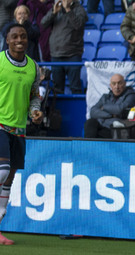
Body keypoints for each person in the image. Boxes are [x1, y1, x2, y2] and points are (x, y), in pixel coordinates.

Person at [0, 23, 43, 244]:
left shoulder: (34, 67)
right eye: (14, 36)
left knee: (10, 177)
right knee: (2, 170)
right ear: (6, 40)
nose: (19, 40)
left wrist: (35, 110)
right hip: (0, 124)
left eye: (23, 36)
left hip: (19, 128)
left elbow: (34, 95)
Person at [41, 0, 88, 94]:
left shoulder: (79, 9)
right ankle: (57, 108)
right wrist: (53, 12)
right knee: (57, 88)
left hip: (73, 54)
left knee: (75, 87)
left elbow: (78, 25)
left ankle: (77, 108)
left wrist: (68, 9)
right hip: (56, 54)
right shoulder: (56, 9)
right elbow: (43, 24)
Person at [84, 74, 135, 138]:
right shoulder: (105, 97)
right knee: (90, 122)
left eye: (119, 83)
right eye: (114, 84)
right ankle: (88, 146)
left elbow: (119, 109)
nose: (116, 87)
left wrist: (103, 107)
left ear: (124, 84)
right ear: (110, 86)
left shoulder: (131, 96)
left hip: (117, 129)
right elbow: (93, 111)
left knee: (99, 134)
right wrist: (111, 115)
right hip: (101, 125)